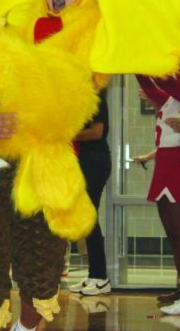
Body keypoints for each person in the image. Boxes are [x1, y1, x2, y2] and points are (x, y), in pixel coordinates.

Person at [132, 78, 180, 311]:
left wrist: (136, 61)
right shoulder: (170, 101)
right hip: (166, 168)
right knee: (173, 236)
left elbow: (157, 86)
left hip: (179, 167)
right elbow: (152, 89)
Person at [69, 90, 113, 297]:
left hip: (94, 160)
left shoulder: (94, 99)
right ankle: (94, 273)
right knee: (86, 217)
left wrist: (68, 135)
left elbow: (97, 132)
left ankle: (100, 277)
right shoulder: (79, 100)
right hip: (85, 160)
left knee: (89, 216)